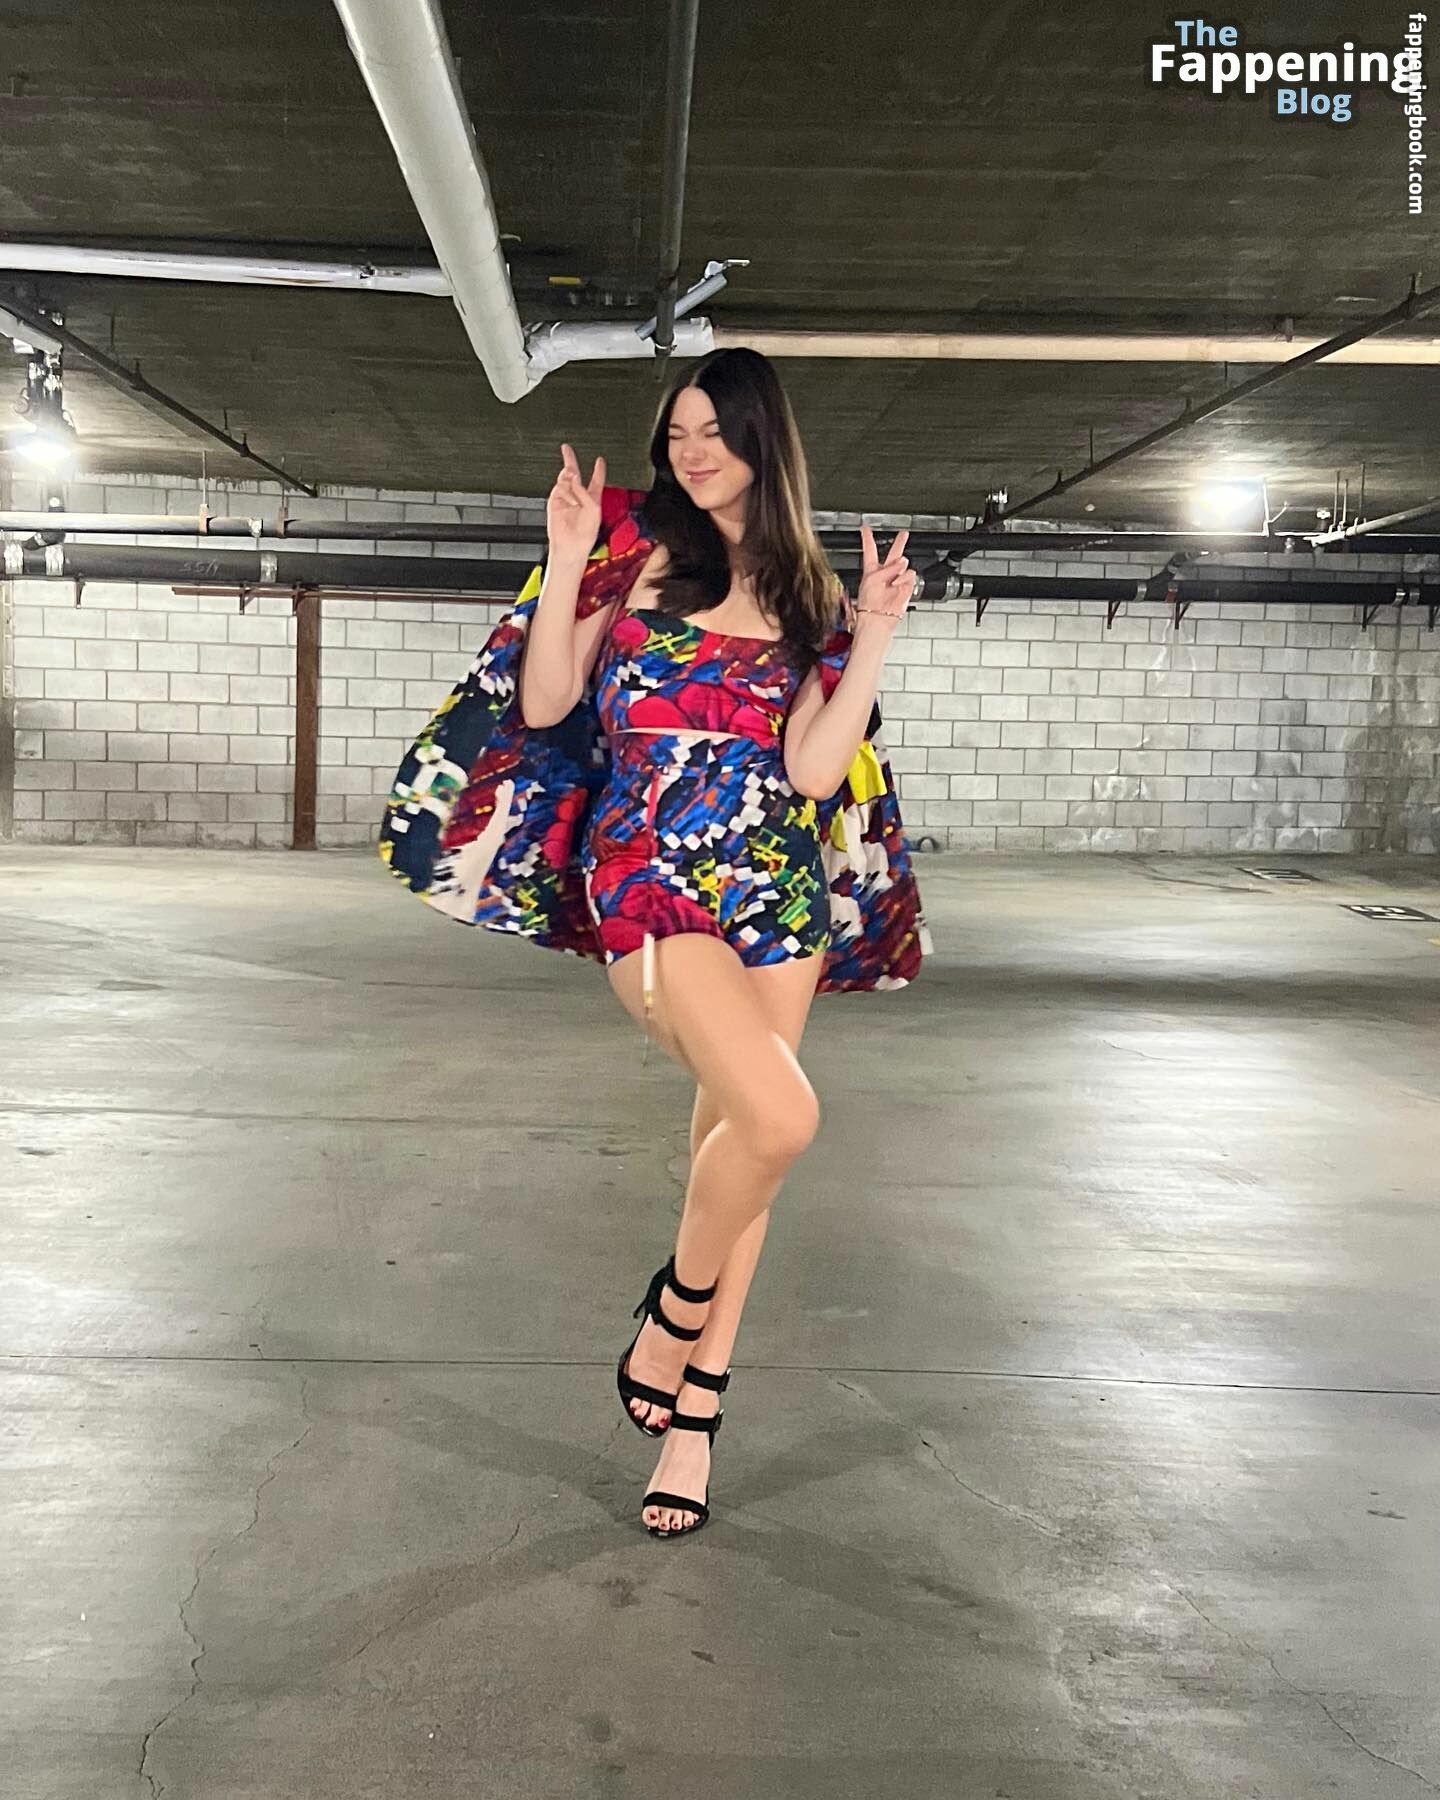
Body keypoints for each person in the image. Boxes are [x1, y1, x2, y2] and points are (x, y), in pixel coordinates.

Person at [380, 346, 927, 1539]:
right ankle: (673, 1315)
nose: (691, 451)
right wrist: (567, 551)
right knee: (781, 1119)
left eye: (713, 431)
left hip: (773, 890)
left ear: (762, 440)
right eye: (677, 432)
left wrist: (874, 631)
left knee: (745, 1141)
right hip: (647, 877)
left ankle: (694, 1424)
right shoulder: (633, 556)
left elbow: (812, 770)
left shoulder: (810, 597)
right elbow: (544, 704)